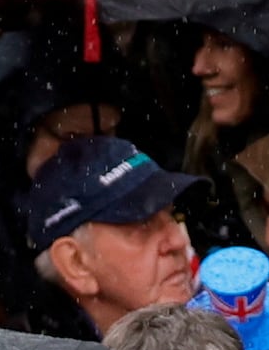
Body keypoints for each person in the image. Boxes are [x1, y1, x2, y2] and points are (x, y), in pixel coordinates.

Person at [22, 136, 204, 337]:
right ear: (76, 264)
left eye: (171, 214)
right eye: (143, 225)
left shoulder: (224, 308)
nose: (179, 241)